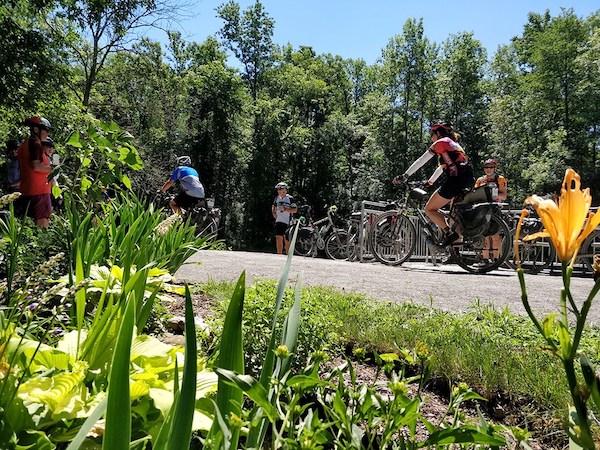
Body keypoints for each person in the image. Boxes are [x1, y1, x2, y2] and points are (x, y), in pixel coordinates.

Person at [393, 121, 473, 246]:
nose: (431, 137)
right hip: (466, 180)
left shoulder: (440, 143)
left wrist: (405, 175)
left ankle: (448, 233)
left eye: (432, 133)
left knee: (429, 209)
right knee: (454, 214)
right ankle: (455, 249)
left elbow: (422, 160)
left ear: (438, 133)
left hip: (455, 181)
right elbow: (442, 167)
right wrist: (430, 181)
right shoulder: (454, 144)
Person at [17, 117, 53, 228]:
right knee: (42, 226)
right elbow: (36, 166)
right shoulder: (36, 144)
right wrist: (53, 169)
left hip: (27, 190)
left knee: (30, 227)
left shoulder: (24, 145)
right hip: (39, 192)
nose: (47, 134)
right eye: (45, 130)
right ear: (36, 130)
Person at [475, 158, 507, 261]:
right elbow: (475, 194)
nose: (488, 169)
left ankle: (496, 259)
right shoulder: (480, 180)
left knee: (495, 235)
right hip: (483, 209)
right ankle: (485, 259)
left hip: (495, 209)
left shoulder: (500, 179)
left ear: (495, 168)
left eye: (491, 167)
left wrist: (491, 192)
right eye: (486, 167)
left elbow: (504, 196)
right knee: (484, 235)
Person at [272, 182, 297, 255]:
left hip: (287, 222)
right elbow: (273, 206)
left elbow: (295, 210)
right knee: (278, 238)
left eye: (282, 190)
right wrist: (274, 214)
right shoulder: (277, 198)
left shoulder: (290, 198)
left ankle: (288, 255)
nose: (280, 191)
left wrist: (285, 209)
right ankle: (279, 255)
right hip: (279, 221)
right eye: (278, 190)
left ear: (286, 190)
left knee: (286, 239)